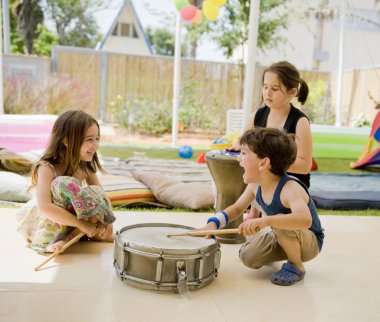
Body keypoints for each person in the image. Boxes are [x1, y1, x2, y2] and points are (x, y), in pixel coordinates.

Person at [200, 127, 324, 286]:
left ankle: (296, 265)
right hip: (281, 234)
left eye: (244, 153)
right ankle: (284, 249)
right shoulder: (255, 185)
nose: (239, 159)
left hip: (310, 242)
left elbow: (305, 220)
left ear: (263, 163)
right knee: (248, 257)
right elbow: (237, 208)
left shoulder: (290, 188)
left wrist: (265, 222)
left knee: (279, 221)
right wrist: (213, 224)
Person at [16, 110, 115, 253]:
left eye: (97, 139)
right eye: (89, 140)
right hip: (49, 219)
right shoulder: (47, 167)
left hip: (73, 223)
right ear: (67, 141)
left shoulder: (85, 165)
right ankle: (61, 239)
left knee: (95, 193)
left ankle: (73, 237)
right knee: (62, 183)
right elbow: (45, 207)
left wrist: (107, 218)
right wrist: (80, 223)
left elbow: (101, 195)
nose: (96, 145)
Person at [230, 60, 313, 189]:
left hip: (291, 185)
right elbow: (241, 144)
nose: (267, 93)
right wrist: (238, 147)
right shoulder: (257, 115)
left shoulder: (300, 122)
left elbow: (305, 166)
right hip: (262, 181)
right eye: (265, 86)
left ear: (292, 92)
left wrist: (269, 164)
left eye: (275, 89)